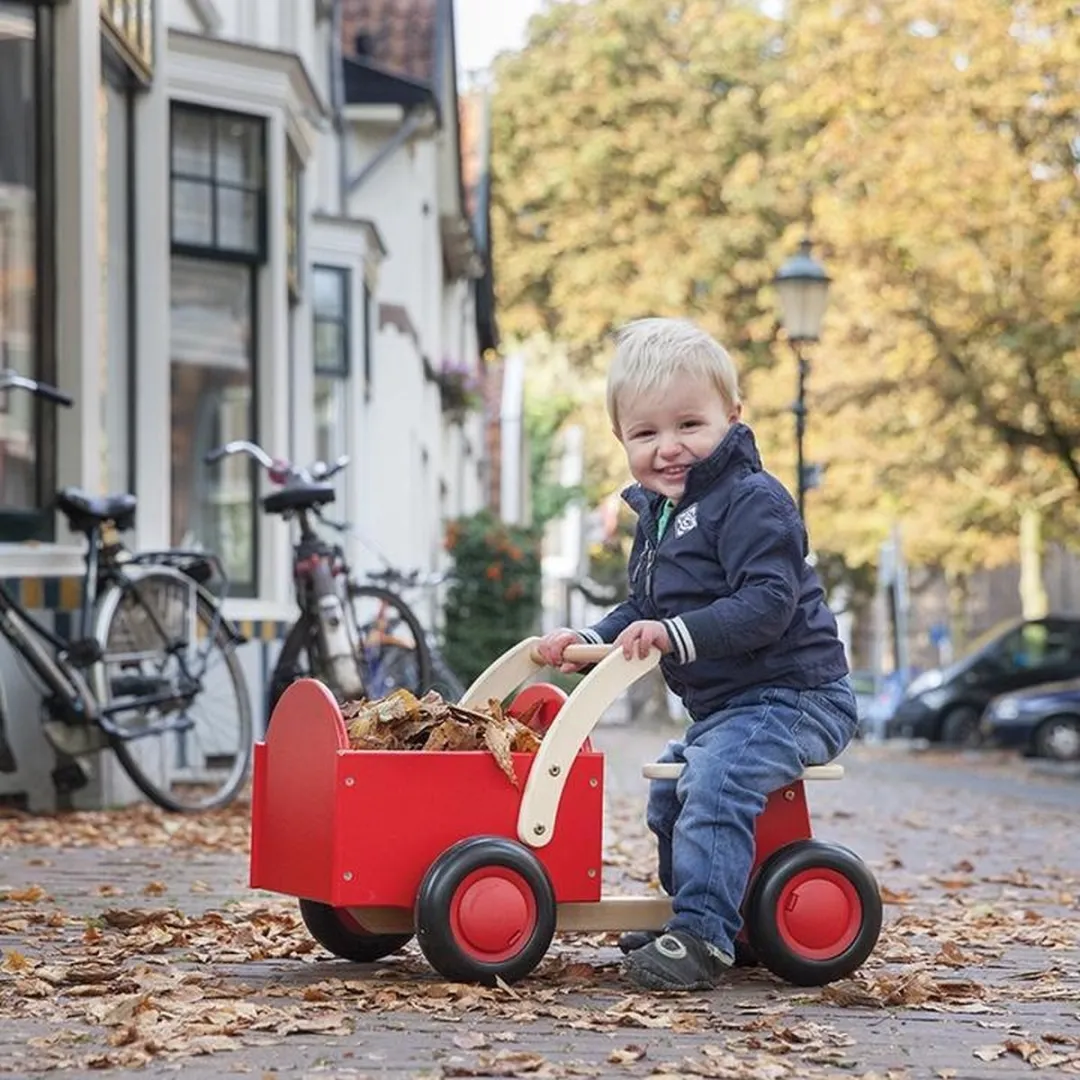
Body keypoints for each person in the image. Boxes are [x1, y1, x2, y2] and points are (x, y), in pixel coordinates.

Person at [535, 317, 857, 992]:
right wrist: (588, 640)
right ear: (622, 438)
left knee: (713, 784)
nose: (669, 448)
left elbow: (766, 603)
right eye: (646, 433)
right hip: (730, 709)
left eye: (690, 425)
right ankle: (698, 912)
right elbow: (644, 610)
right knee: (669, 795)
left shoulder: (751, 500)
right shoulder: (656, 516)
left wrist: (675, 635)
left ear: (732, 417)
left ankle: (704, 935)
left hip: (797, 696)